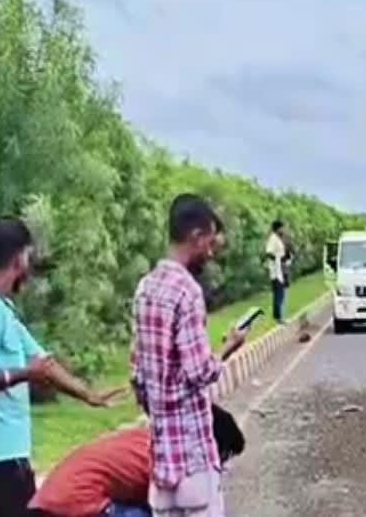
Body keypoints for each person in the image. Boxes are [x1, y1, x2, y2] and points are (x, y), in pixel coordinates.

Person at [0, 217, 123, 517]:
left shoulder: (1, 308)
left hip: (8, 459)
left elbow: (44, 364)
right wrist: (25, 374)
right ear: (20, 258)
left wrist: (88, 394)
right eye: (29, 257)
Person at [132, 194, 248, 517]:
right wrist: (228, 347)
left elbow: (138, 375)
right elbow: (199, 371)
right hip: (193, 459)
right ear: (196, 237)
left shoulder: (145, 288)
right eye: (209, 243)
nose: (210, 252)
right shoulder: (187, 292)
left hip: (162, 463)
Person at [27, 404, 246, 517]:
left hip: (50, 502)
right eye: (222, 456)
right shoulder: (172, 458)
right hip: (76, 505)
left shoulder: (155, 439)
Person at [264, 220, 290, 322]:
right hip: (276, 272)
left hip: (281, 270)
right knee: (279, 295)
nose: (284, 230)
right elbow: (269, 253)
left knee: (281, 294)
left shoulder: (279, 239)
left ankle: (279, 316)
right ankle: (278, 318)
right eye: (282, 228)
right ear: (278, 228)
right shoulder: (273, 239)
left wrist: (284, 259)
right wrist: (278, 260)